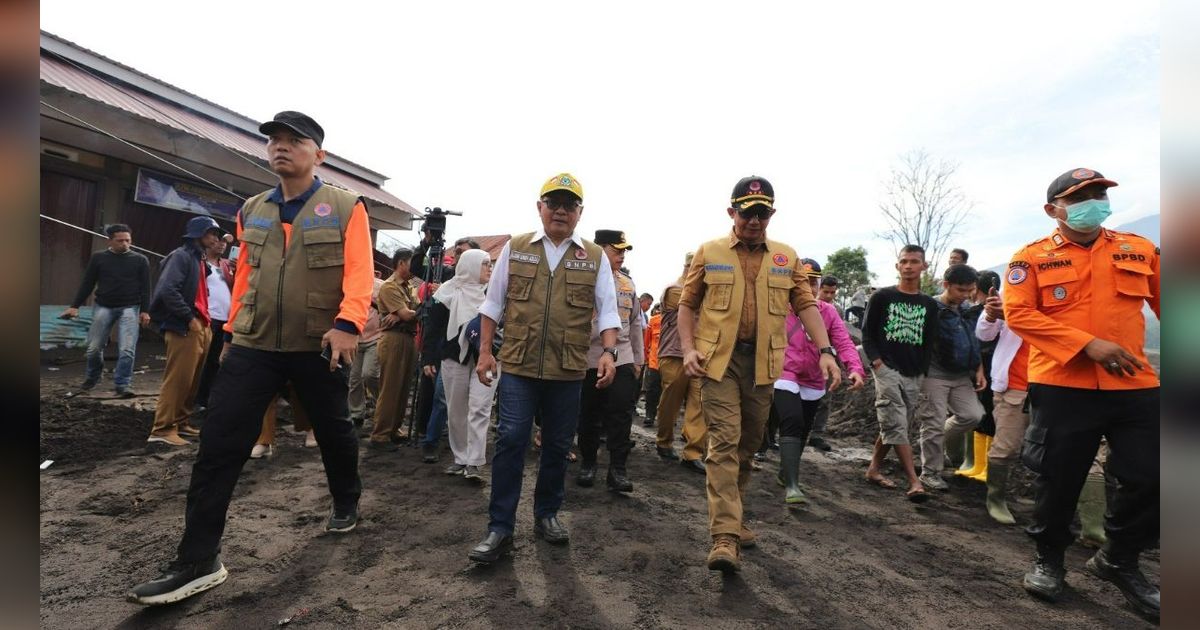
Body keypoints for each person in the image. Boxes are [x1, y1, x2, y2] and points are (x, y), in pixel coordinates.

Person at [128, 111, 373, 605]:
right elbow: (246, 276)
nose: (281, 147)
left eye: (293, 141)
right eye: (274, 141)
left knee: (334, 431)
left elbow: (359, 273)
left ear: (318, 154)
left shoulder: (347, 207)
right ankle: (199, 559)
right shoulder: (252, 209)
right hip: (255, 345)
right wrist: (234, 329)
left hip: (318, 345)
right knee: (218, 445)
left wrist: (348, 324)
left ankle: (346, 498)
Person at [1004, 168, 1159, 621]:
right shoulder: (1028, 259)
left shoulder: (1141, 248)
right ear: (1053, 210)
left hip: (1134, 383)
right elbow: (1019, 315)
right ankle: (1049, 560)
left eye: (1099, 193)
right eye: (1081, 196)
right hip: (1062, 383)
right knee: (1059, 478)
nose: (1094, 201)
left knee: (1154, 475)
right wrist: (1087, 344)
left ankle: (1119, 558)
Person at [678, 175, 840, 574]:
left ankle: (735, 516)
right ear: (731, 211)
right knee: (725, 442)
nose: (754, 220)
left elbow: (807, 305)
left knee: (749, 445)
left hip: (764, 366)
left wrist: (825, 350)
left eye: (762, 213)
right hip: (720, 362)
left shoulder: (786, 258)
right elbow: (686, 305)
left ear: (771, 214)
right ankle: (725, 537)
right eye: (747, 212)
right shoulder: (709, 251)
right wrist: (687, 349)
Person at [468, 173, 621, 564]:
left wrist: (608, 352)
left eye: (569, 205)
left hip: (568, 369)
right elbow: (492, 305)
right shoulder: (517, 248)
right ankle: (499, 526)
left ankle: (547, 514)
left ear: (579, 213)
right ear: (540, 207)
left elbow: (607, 310)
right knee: (512, 439)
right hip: (518, 364)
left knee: (556, 445)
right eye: (553, 203)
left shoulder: (595, 257)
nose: (560, 211)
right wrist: (485, 352)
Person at [772, 258, 865, 504]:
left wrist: (855, 368)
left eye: (814, 282)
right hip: (784, 373)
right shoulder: (778, 307)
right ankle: (793, 484)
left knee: (803, 427)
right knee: (791, 420)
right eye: (804, 281)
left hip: (814, 378)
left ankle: (786, 471)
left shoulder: (828, 312)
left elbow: (843, 341)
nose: (810, 287)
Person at [862, 245, 939, 503]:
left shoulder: (929, 304)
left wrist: (923, 370)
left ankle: (873, 469)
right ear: (897, 266)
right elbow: (868, 333)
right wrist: (877, 364)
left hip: (914, 373)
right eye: (904, 261)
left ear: (923, 266)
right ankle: (914, 481)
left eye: (914, 261)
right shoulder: (882, 297)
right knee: (895, 421)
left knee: (897, 423)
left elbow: (930, 341)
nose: (908, 266)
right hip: (887, 370)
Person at [145, 216, 225, 445]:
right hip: (185, 326)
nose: (215, 238)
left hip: (200, 324)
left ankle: (181, 422)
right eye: (212, 233)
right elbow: (168, 290)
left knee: (192, 380)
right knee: (178, 380)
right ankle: (162, 430)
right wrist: (188, 318)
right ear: (200, 234)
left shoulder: (197, 258)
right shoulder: (180, 256)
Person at [576, 230, 645, 492]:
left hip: (622, 356)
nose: (622, 255)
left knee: (621, 413)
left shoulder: (627, 284)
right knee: (589, 414)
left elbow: (636, 322)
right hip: (587, 357)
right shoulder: (581, 278)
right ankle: (588, 462)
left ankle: (617, 469)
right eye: (617, 250)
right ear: (600, 249)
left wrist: (638, 359)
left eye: (624, 250)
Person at [420, 249, 495, 480]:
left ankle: (474, 462)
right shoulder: (448, 291)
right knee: (456, 409)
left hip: (490, 358)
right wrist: (429, 358)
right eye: (484, 265)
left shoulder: (495, 294)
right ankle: (460, 458)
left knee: (480, 407)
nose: (489, 269)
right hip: (454, 357)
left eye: (490, 265)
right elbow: (433, 328)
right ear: (470, 266)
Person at [913, 264, 986, 492]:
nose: (965, 295)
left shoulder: (967, 309)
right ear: (946, 285)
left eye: (969, 291)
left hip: (962, 374)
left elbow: (974, 341)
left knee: (973, 415)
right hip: (933, 374)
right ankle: (930, 473)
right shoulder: (929, 307)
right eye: (960, 290)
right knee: (932, 422)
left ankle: (929, 441)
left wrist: (979, 369)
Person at [61, 223, 151, 397]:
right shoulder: (99, 258)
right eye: (120, 241)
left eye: (128, 240)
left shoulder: (140, 260)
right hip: (104, 305)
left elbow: (146, 288)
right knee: (93, 348)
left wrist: (145, 311)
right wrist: (74, 306)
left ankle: (122, 384)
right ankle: (93, 377)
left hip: (130, 307)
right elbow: (87, 283)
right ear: (109, 241)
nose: (125, 244)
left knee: (127, 349)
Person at [653, 252, 706, 469]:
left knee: (699, 403)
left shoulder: (703, 292)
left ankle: (693, 453)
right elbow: (695, 307)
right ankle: (664, 441)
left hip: (700, 355)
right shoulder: (674, 290)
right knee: (670, 403)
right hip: (674, 354)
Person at [368, 248, 420, 451]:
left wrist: (403, 314)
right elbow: (411, 313)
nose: (414, 268)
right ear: (401, 263)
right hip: (394, 338)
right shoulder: (390, 287)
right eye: (411, 263)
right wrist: (403, 314)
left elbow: (413, 311)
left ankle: (394, 429)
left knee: (403, 387)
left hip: (407, 338)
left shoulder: (409, 287)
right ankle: (380, 435)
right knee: (390, 388)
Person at [194, 236, 235, 409]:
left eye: (225, 242)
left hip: (225, 319)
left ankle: (205, 399)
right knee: (199, 361)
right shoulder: (199, 262)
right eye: (219, 240)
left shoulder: (227, 265)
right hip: (207, 317)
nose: (222, 244)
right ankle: (192, 399)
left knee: (215, 362)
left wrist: (237, 270)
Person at [348, 276, 385, 427]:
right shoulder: (350, 285)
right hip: (356, 337)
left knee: (369, 374)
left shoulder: (381, 286)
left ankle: (382, 406)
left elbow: (388, 308)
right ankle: (356, 414)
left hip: (375, 337)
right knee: (354, 379)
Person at [640, 304, 663, 428]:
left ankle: (667, 417)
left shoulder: (679, 319)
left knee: (667, 392)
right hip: (654, 362)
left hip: (670, 363)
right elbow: (646, 341)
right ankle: (649, 415)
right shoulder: (654, 321)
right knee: (652, 391)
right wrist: (645, 359)